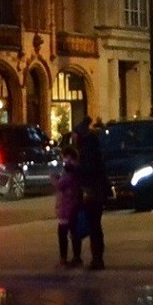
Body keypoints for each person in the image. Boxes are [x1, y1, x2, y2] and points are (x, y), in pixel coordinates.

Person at [71, 115, 109, 271]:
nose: (72, 138)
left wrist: (76, 169)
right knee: (94, 226)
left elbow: (88, 171)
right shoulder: (91, 149)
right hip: (96, 191)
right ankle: (96, 258)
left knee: (94, 226)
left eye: (74, 134)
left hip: (92, 192)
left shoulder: (87, 152)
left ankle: (97, 260)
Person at [52, 149, 83, 267]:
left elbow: (61, 184)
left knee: (64, 233)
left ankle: (65, 259)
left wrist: (55, 180)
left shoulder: (71, 172)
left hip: (68, 207)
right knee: (73, 233)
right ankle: (76, 257)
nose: (64, 161)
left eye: (65, 158)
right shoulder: (77, 170)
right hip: (72, 205)